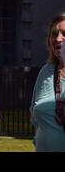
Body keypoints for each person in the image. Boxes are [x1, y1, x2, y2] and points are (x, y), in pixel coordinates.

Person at [30, 13, 65, 151]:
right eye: (54, 34)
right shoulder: (46, 71)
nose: (58, 39)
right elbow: (34, 113)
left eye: (64, 33)